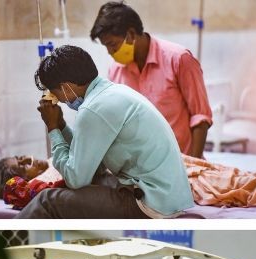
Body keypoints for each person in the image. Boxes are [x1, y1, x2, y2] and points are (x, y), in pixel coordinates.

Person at [19, 45, 194, 219]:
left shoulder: (92, 109)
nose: (60, 100)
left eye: (56, 93)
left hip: (151, 204)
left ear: (65, 87)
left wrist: (52, 128)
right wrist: (61, 125)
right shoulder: (111, 93)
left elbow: (75, 179)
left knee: (47, 200)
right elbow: (90, 162)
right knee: (94, 181)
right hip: (168, 198)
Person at [91, 2, 213, 158]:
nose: (110, 52)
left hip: (180, 161)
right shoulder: (116, 71)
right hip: (141, 165)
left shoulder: (179, 60)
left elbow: (200, 117)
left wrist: (194, 165)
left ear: (131, 34)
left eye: (112, 45)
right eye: (106, 47)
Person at [0, 154, 256, 210]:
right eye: (21, 166)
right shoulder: (47, 179)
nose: (27, 160)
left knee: (222, 173)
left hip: (149, 164)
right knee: (229, 184)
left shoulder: (55, 159)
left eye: (22, 156)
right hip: (144, 178)